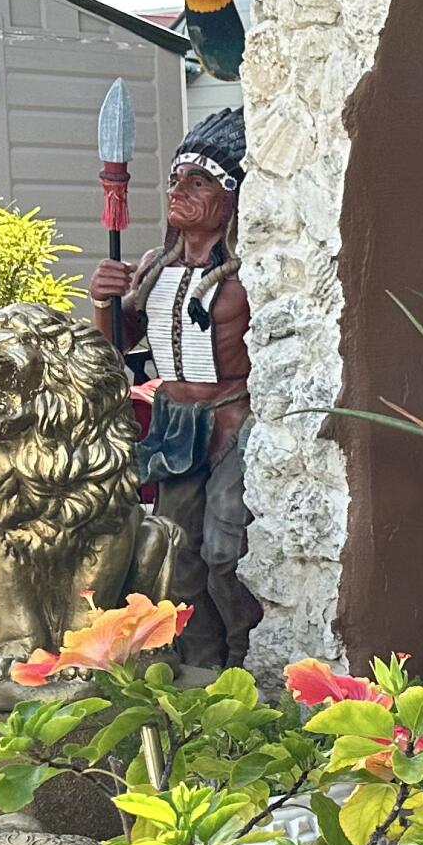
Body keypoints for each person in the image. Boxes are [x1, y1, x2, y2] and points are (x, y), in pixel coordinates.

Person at [92, 110, 256, 665]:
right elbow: (120, 341)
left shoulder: (245, 274)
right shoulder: (153, 270)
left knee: (224, 551)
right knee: (176, 555)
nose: (178, 191)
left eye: (199, 181)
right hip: (174, 428)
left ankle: (244, 652)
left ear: (230, 197)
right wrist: (105, 300)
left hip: (231, 422)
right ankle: (201, 663)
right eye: (174, 180)